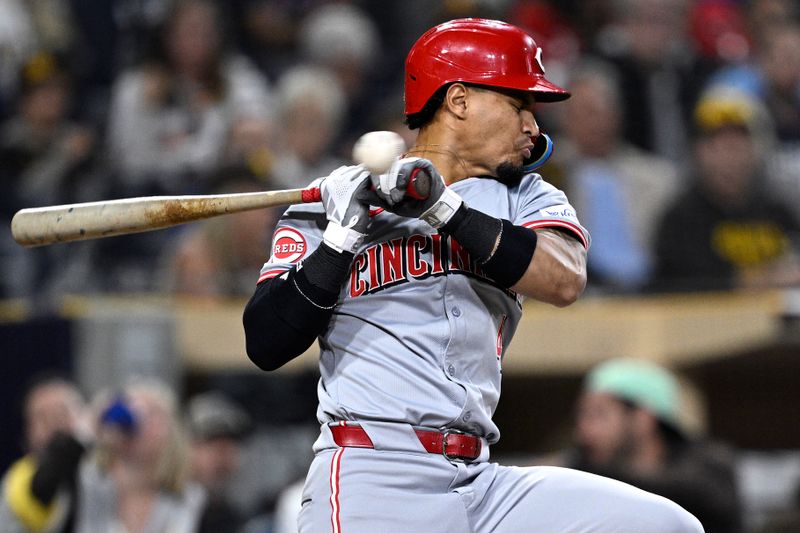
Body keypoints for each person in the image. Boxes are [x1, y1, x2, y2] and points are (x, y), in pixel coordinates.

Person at [243, 18, 702, 532]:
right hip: (373, 469)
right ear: (458, 101)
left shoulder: (527, 196)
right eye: (518, 104)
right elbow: (265, 342)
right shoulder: (336, 203)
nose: (533, 125)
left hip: (478, 481)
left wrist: (442, 207)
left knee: (665, 526)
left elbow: (564, 279)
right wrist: (341, 237)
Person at [543, 358, 742, 533]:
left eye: (598, 415)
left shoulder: (710, 468)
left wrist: (574, 473)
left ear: (642, 418)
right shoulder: (583, 469)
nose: (584, 430)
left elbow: (688, 492)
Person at [650, 88, 800, 292]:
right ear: (698, 154)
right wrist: (764, 281)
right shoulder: (680, 220)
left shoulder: (778, 212)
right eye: (717, 148)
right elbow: (683, 287)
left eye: (737, 148)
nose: (729, 160)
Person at [0, 374, 90, 533]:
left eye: (61, 413)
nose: (53, 425)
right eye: (41, 417)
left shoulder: (106, 469)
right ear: (27, 432)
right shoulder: (17, 481)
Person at [186, 391, 253, 533]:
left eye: (230, 446)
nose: (222, 459)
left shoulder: (238, 516)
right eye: (213, 446)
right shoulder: (166, 508)